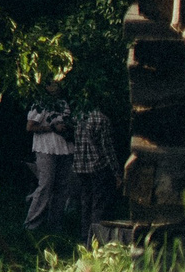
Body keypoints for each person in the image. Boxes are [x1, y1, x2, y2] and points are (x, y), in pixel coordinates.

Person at [24, 88, 76, 234]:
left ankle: (55, 226)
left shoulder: (64, 103)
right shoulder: (41, 104)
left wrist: (67, 128)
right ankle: (31, 225)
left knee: (62, 187)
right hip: (46, 148)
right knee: (46, 184)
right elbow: (30, 126)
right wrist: (52, 127)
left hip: (64, 148)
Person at [73, 104, 122, 241]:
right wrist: (117, 173)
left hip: (81, 168)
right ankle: (95, 240)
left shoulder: (78, 116)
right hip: (98, 167)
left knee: (86, 205)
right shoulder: (102, 119)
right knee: (98, 206)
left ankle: (85, 238)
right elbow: (108, 149)